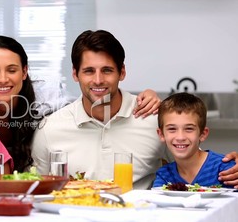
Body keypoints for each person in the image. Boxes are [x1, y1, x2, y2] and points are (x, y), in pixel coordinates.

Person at [0, 35, 162, 173]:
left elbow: (89, 99)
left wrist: (148, 96)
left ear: (24, 72)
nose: (3, 79)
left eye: (11, 70)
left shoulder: (48, 103)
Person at [31, 29, 238, 190]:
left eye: (107, 70)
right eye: (88, 71)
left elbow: (193, 158)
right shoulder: (50, 129)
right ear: (75, 74)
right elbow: (37, 191)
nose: (98, 80)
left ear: (122, 72)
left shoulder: (151, 118)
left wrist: (228, 165)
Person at [152, 92, 236, 188]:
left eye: (189, 129)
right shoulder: (165, 175)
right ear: (161, 134)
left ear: (203, 134)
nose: (180, 137)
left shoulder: (226, 169)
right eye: (172, 129)